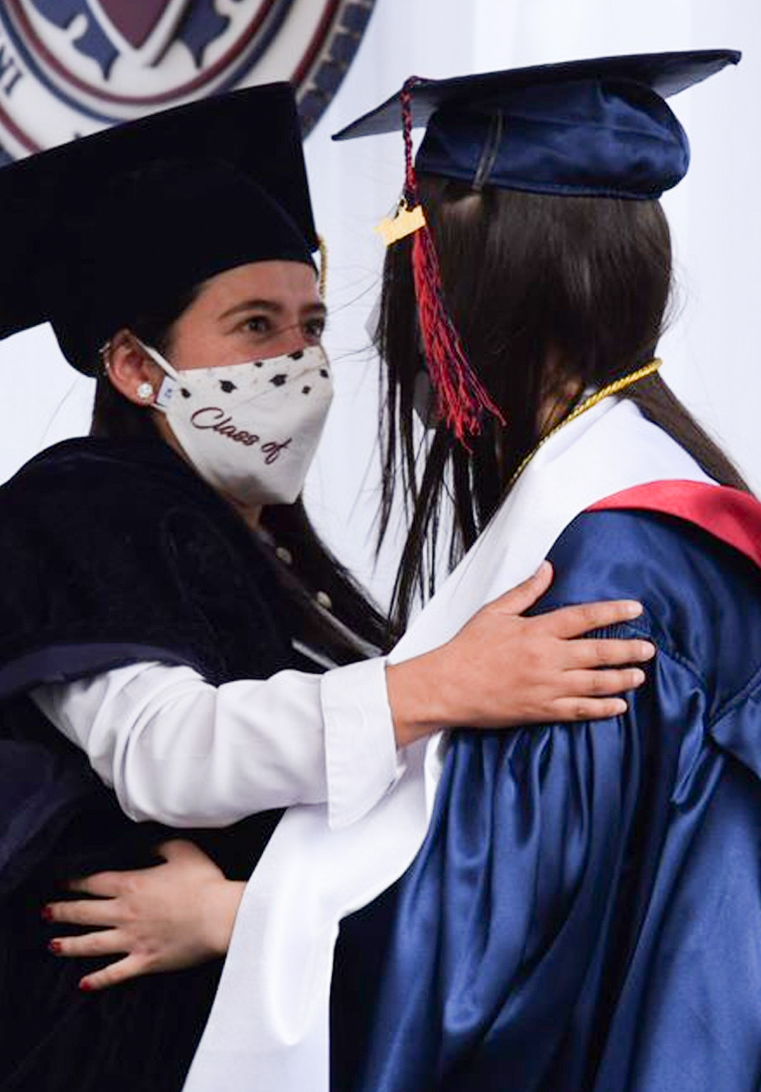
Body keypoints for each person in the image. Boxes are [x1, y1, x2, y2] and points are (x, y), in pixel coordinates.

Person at [50, 50, 761, 1092]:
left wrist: (238, 919)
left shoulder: (598, 570)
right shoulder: (664, 510)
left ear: (475, 278)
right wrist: (425, 689)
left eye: (310, 324)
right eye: (255, 328)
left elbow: (495, 961)